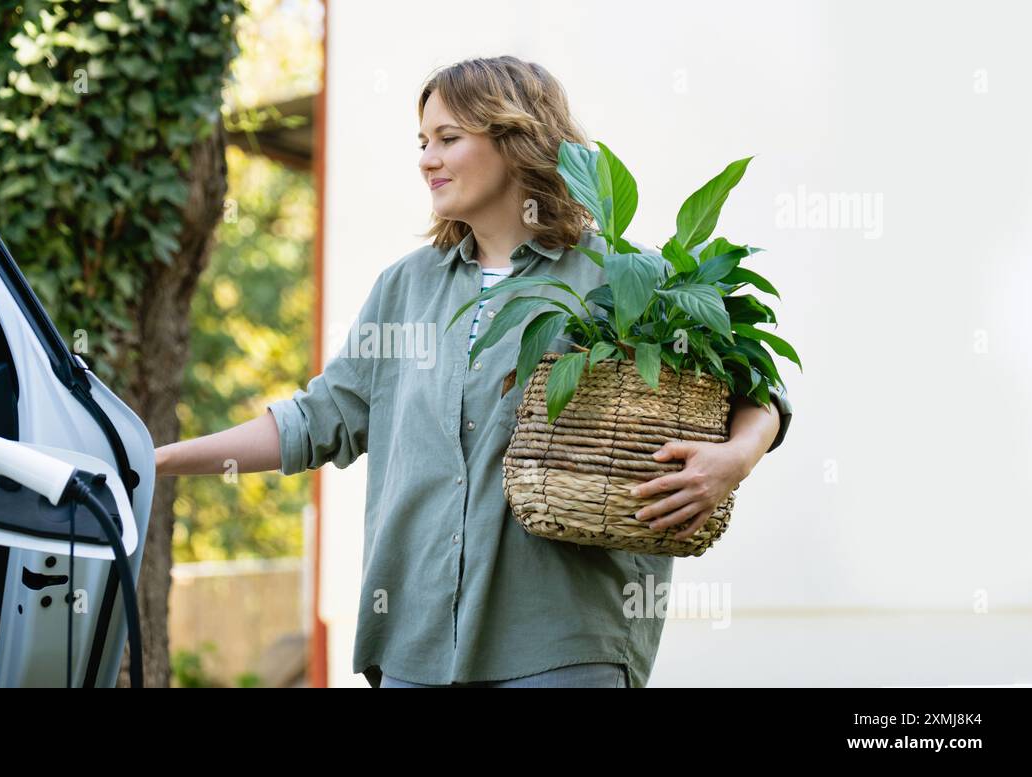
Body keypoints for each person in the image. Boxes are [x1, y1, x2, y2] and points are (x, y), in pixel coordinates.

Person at [154, 55, 792, 688]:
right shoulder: (405, 288)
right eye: (423, 142)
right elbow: (321, 420)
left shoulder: (620, 275)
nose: (427, 159)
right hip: (415, 645)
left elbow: (756, 387)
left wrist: (731, 461)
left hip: (563, 643)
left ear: (518, 140)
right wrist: (156, 459)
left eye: (449, 139)